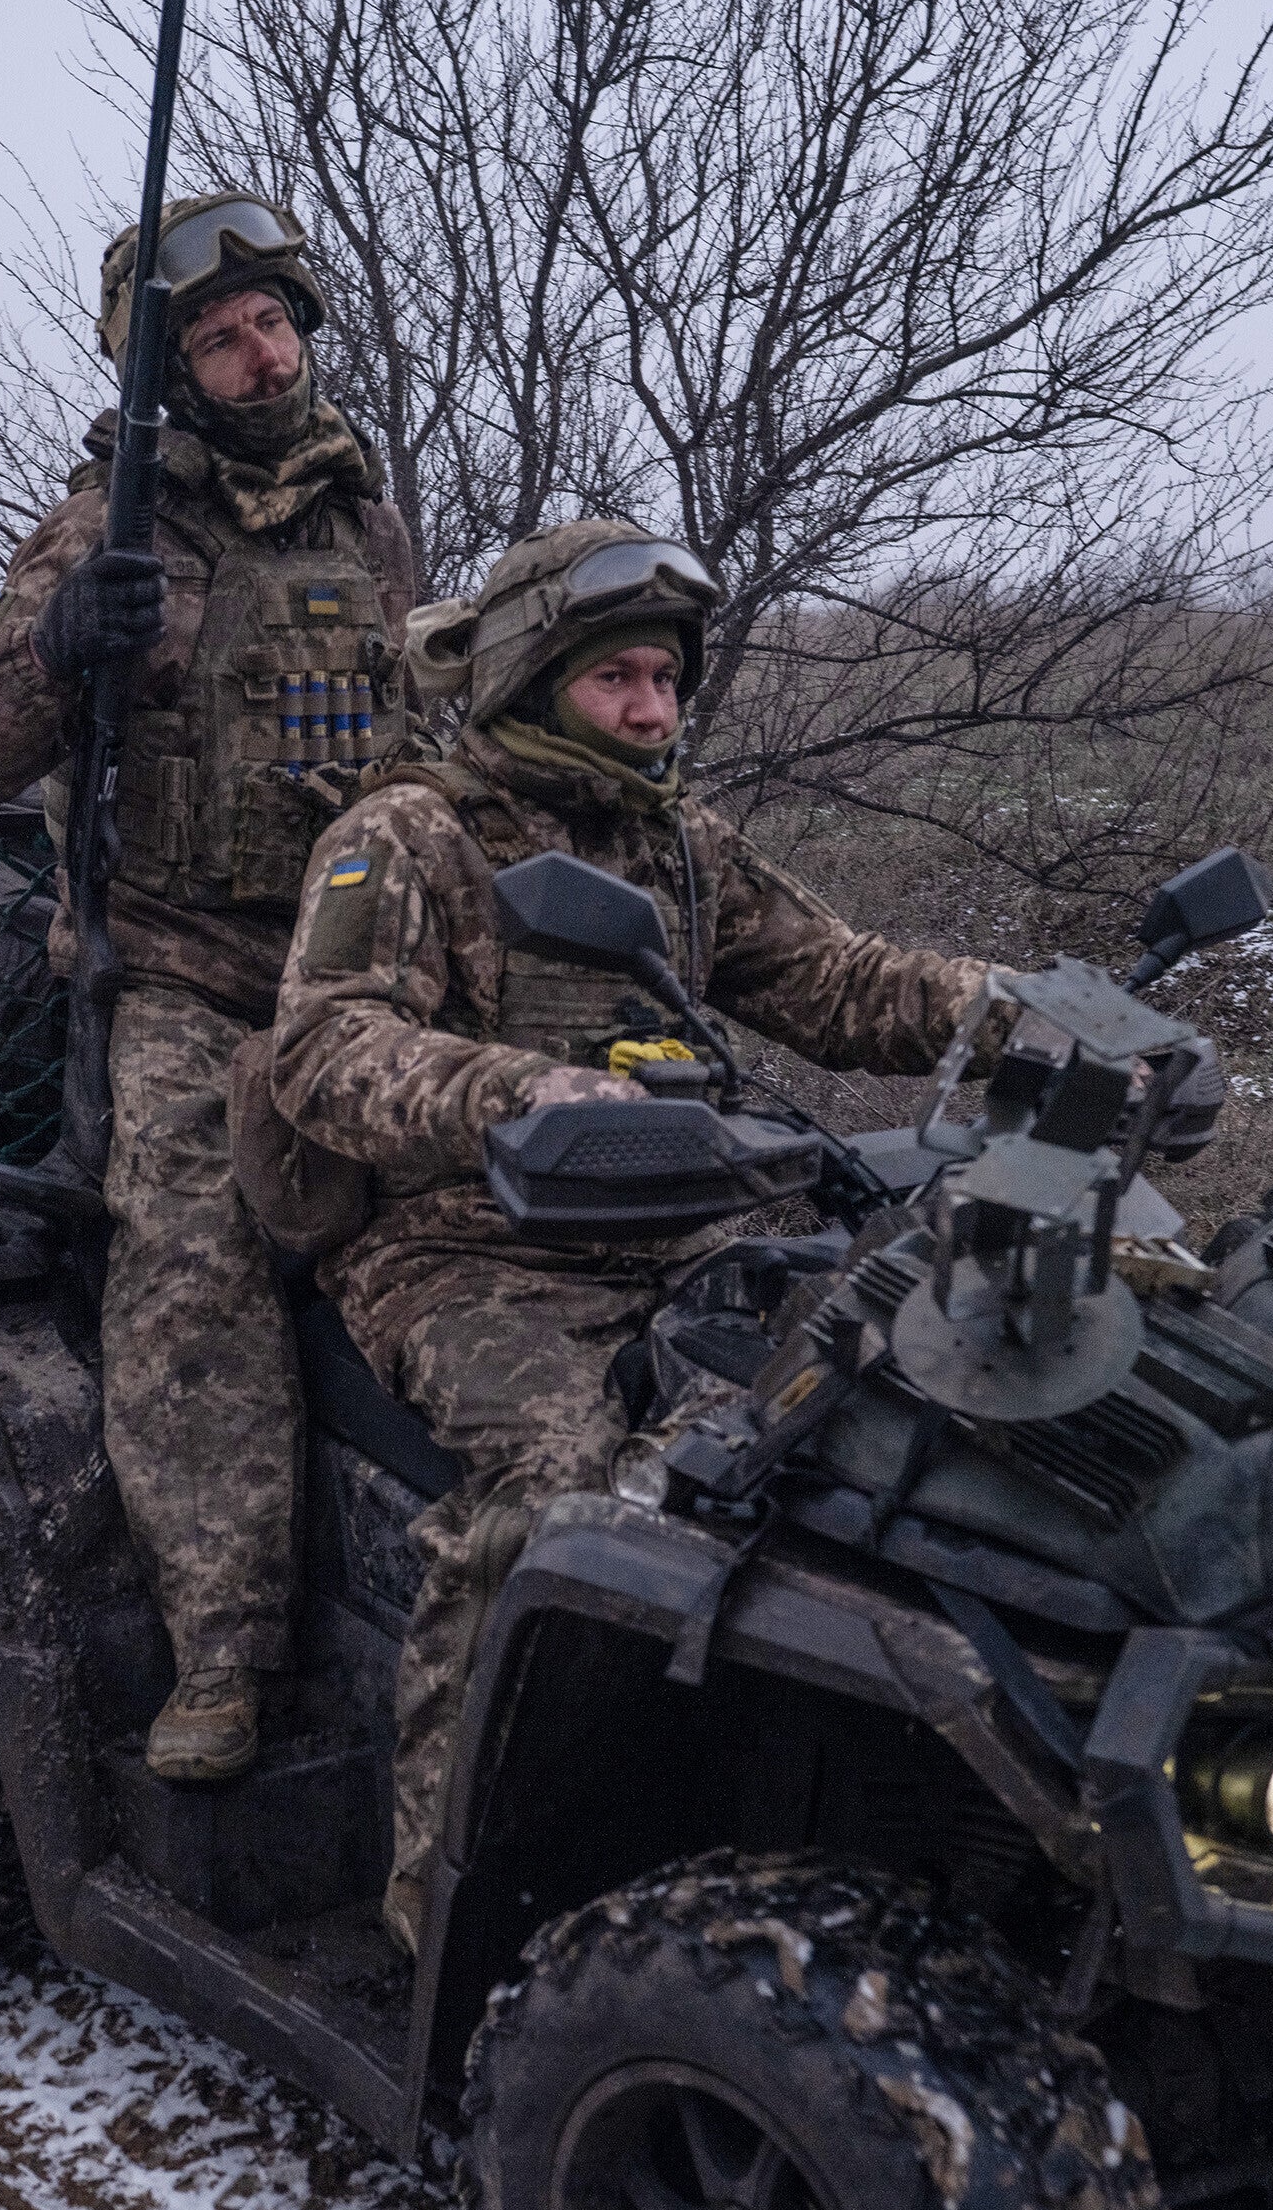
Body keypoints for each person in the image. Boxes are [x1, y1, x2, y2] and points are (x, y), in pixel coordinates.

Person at [265, 519, 992, 1950]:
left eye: (667, 679)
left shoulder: (671, 838)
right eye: (620, 683)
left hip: (680, 1224)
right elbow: (323, 1050)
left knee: (872, 1434)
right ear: (540, 680)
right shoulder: (406, 835)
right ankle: (443, 1893)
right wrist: (518, 1092)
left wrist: (1009, 1008)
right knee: (557, 1493)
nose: (653, 710)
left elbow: (835, 980)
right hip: (465, 1247)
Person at [0, 191, 424, 1786]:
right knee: (194, 1269)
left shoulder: (369, 524)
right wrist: (62, 639)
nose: (261, 356)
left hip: (357, 969)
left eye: (274, 322)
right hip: (183, 981)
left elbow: (430, 742)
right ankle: (225, 1651)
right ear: (169, 370)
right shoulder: (105, 526)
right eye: (218, 337)